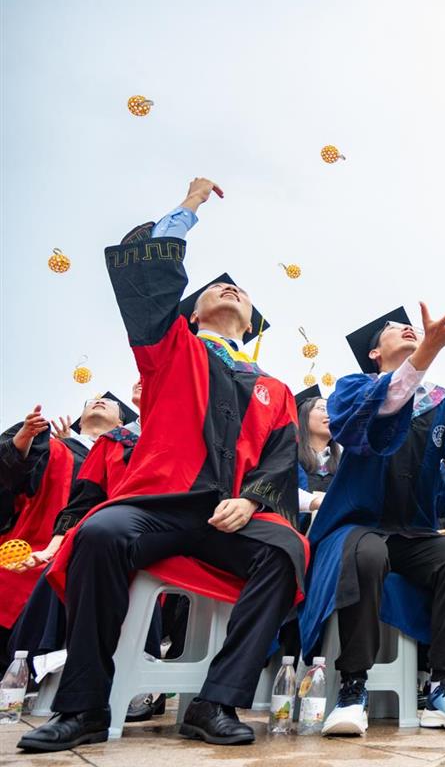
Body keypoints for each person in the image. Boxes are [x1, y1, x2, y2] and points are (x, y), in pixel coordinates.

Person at [19, 178, 309, 752]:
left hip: (230, 515)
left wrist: (251, 499)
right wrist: (189, 209)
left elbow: (280, 462)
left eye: (240, 291)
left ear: (250, 323)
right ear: (191, 308)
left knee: (286, 551)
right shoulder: (172, 349)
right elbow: (150, 286)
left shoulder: (275, 389)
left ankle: (216, 700)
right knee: (99, 534)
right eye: (216, 288)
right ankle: (83, 707)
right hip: (159, 505)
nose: (229, 289)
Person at [300, 303, 445, 735]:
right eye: (392, 327)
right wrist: (427, 354)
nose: (406, 328)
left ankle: (443, 685)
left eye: (411, 328)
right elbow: (372, 419)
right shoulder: (352, 388)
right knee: (366, 556)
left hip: (414, 530)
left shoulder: (441, 401)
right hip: (355, 525)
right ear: (373, 353)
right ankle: (353, 688)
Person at [0, 394, 128, 654]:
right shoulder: (49, 444)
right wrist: (19, 446)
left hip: (86, 580)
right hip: (23, 565)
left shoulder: (127, 458)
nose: (98, 401)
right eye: (90, 401)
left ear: (120, 425)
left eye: (110, 403)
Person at [294, 384, 340, 534]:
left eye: (333, 411)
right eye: (322, 409)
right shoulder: (288, 458)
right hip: (294, 536)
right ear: (303, 415)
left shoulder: (343, 465)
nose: (331, 415)